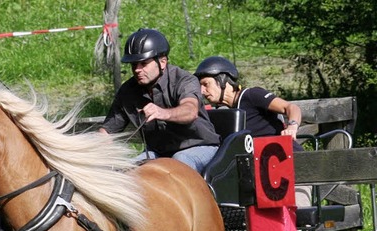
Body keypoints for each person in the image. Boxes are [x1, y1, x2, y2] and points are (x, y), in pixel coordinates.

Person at [194, 55, 311, 205]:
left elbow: (290, 107)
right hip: (258, 177)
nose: (202, 91)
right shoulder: (223, 114)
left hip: (288, 167)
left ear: (223, 80)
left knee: (297, 214)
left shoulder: (251, 95)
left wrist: (292, 126)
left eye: (206, 84)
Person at [99, 28, 221, 173]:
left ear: (162, 62)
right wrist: (93, 148)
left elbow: (190, 111)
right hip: (158, 153)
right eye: (133, 65)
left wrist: (162, 113)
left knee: (179, 162)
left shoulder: (184, 80)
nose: (137, 70)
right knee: (126, 172)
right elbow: (107, 131)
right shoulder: (127, 91)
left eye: (143, 64)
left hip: (199, 146)